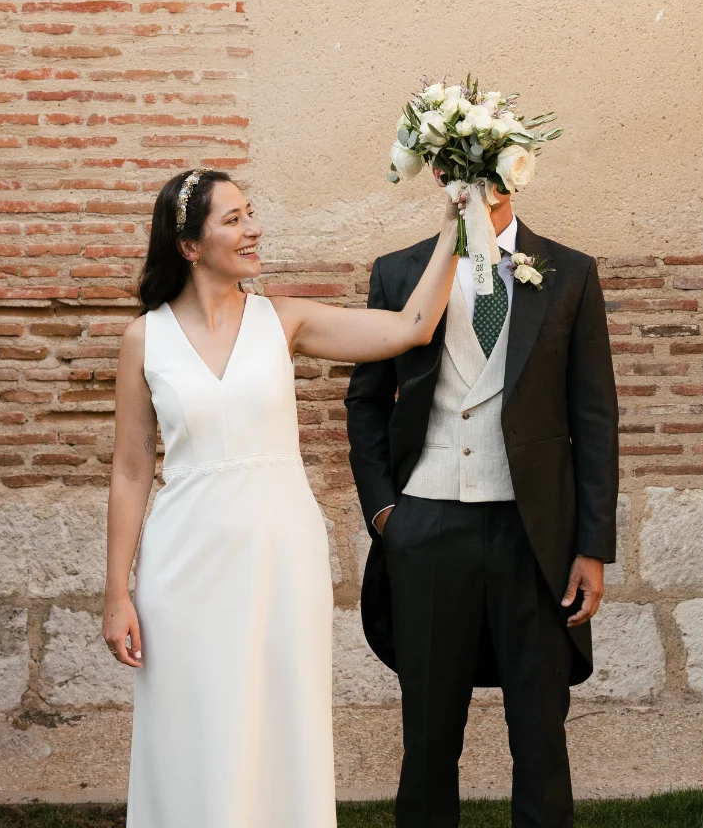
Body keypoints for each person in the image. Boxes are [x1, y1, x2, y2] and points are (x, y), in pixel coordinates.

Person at [102, 167, 462, 828]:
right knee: (192, 730)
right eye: (233, 219)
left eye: (251, 213)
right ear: (189, 245)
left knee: (282, 724)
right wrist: (117, 593)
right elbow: (129, 471)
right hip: (183, 565)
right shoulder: (143, 341)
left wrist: (455, 222)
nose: (253, 228)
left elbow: (411, 326)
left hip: (281, 556)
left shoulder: (284, 321)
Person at [346, 167, 619, 828]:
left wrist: (592, 544)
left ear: (515, 174)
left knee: (540, 735)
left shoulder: (571, 273)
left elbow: (594, 417)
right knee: (429, 737)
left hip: (537, 537)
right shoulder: (397, 271)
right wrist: (387, 510)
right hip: (428, 525)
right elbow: (366, 405)